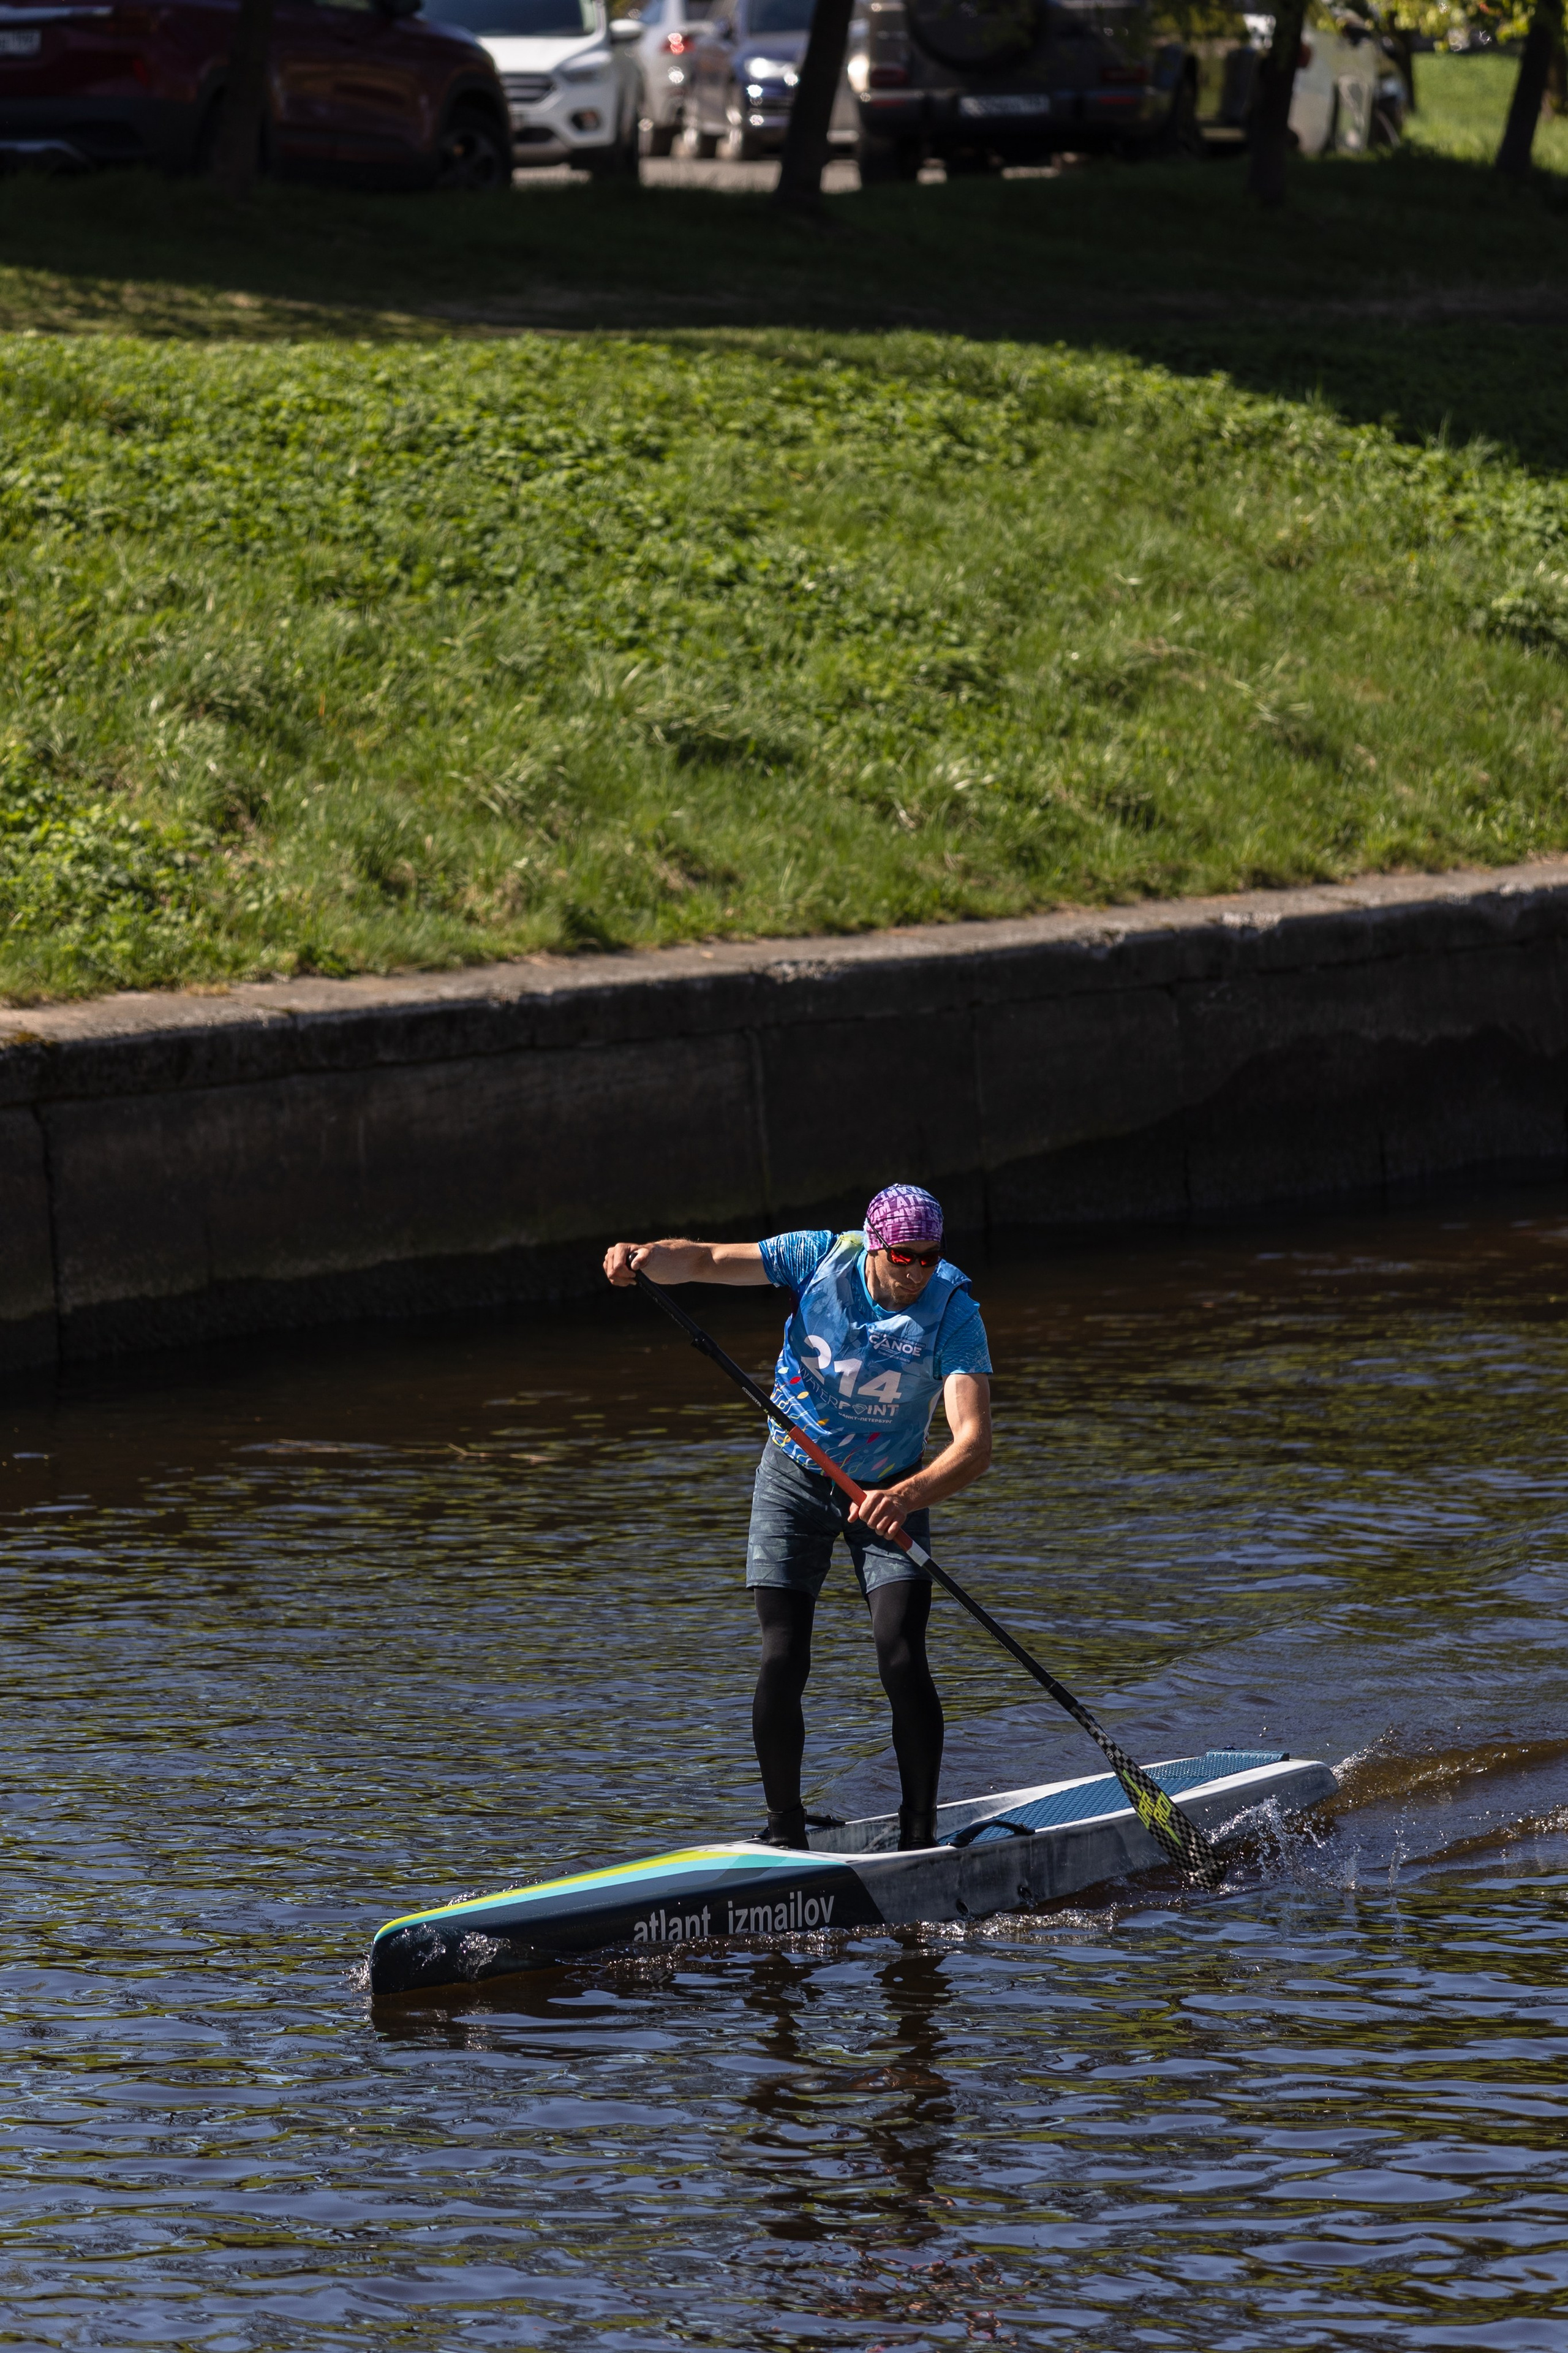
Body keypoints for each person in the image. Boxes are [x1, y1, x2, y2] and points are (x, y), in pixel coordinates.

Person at [603, 1184, 993, 1853]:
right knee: (782, 1655)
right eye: (904, 1257)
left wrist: (907, 1495)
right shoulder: (817, 1258)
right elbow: (702, 1260)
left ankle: (919, 1836)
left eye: (930, 1257)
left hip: (892, 1487)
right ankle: (785, 1836)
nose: (917, 1272)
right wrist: (642, 1257)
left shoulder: (953, 1311)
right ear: (875, 1246)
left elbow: (973, 1444)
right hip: (792, 1475)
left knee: (900, 1654)